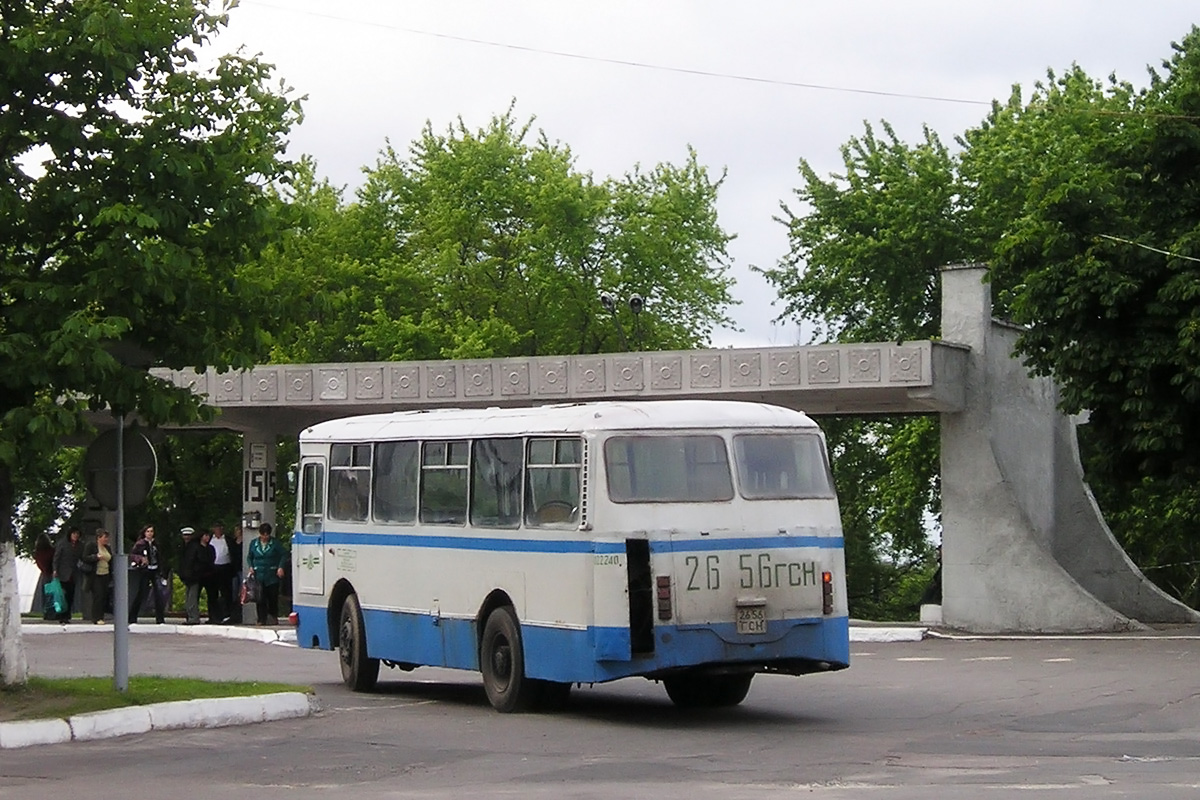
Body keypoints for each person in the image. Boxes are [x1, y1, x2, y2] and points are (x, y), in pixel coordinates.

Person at [246, 523, 286, 626]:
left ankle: (273, 617)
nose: (265, 537)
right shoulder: (254, 543)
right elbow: (249, 557)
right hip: (259, 574)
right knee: (260, 598)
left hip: (272, 575)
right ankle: (261, 619)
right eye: (263, 535)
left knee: (272, 597)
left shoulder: (275, 543)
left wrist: (280, 567)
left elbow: (284, 554)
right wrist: (251, 566)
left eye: (267, 535)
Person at [128, 524, 166, 624]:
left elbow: (160, 557)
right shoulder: (140, 544)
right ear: (144, 533)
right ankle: (132, 616)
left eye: (151, 531)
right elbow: (132, 555)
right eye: (148, 531)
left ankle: (160, 618)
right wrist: (140, 559)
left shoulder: (156, 544)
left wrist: (161, 569)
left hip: (155, 569)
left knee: (158, 593)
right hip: (145, 570)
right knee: (141, 593)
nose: (150, 533)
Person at [177, 527, 209, 625]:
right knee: (188, 598)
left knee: (192, 599)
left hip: (194, 577)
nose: (186, 537)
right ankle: (190, 617)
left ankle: (194, 618)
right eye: (185, 535)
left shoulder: (195, 547)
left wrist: (195, 573)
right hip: (187, 577)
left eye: (188, 535)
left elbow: (200, 561)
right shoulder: (183, 547)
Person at [51, 526, 83, 622]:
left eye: (77, 534)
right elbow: (56, 558)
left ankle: (67, 614)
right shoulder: (63, 544)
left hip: (73, 574)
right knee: (62, 596)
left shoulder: (80, 545)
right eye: (74, 534)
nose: (76, 536)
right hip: (63, 573)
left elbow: (82, 557)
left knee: (70, 595)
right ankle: (61, 615)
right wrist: (55, 570)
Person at [82, 529, 112, 624]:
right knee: (98, 595)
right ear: (99, 538)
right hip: (95, 575)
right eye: (104, 537)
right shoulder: (91, 546)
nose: (106, 539)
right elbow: (85, 557)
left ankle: (101, 616)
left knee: (104, 596)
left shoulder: (108, 547)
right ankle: (96, 617)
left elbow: (111, 559)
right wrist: (96, 557)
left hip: (105, 574)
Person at [208, 521, 234, 624]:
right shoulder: (210, 539)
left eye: (219, 528)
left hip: (225, 568)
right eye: (216, 528)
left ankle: (227, 615)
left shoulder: (228, 540)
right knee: (212, 593)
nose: (218, 530)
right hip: (213, 568)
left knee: (226, 593)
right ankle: (213, 616)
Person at [230, 524, 245, 624]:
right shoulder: (232, 542)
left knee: (242, 592)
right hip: (233, 569)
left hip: (241, 569)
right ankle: (235, 614)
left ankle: (241, 614)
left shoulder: (244, 542)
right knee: (234, 593)